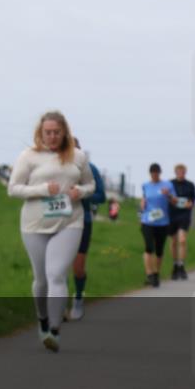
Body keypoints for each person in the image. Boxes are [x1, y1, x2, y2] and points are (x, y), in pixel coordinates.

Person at [8, 111, 95, 352]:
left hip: (70, 221)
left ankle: (54, 330)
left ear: (65, 132)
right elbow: (13, 189)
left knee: (56, 273)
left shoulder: (77, 156)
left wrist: (81, 192)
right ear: (40, 132)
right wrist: (44, 189)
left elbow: (91, 184)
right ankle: (42, 320)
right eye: (48, 132)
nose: (53, 136)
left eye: (57, 132)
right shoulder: (29, 156)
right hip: (34, 224)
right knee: (42, 279)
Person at [69, 137, 106, 321]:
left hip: (83, 221)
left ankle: (78, 296)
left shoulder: (91, 169)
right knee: (55, 267)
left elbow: (101, 196)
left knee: (77, 266)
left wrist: (81, 194)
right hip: (58, 222)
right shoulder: (54, 169)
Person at [140, 163, 174, 288]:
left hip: (163, 222)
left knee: (159, 250)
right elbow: (144, 198)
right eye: (152, 173)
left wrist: (168, 195)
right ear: (150, 174)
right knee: (149, 247)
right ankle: (149, 274)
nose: (155, 175)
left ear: (160, 173)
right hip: (147, 221)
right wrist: (142, 203)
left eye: (157, 173)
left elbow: (175, 201)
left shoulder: (168, 185)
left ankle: (156, 273)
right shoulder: (145, 185)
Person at [167, 164, 195, 280]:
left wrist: (190, 203)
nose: (181, 173)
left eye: (183, 171)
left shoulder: (190, 185)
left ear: (185, 172)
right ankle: (175, 265)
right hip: (172, 215)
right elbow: (167, 197)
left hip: (184, 215)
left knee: (182, 240)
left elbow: (193, 199)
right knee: (174, 241)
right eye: (179, 171)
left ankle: (181, 265)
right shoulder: (170, 184)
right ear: (175, 172)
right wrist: (171, 199)